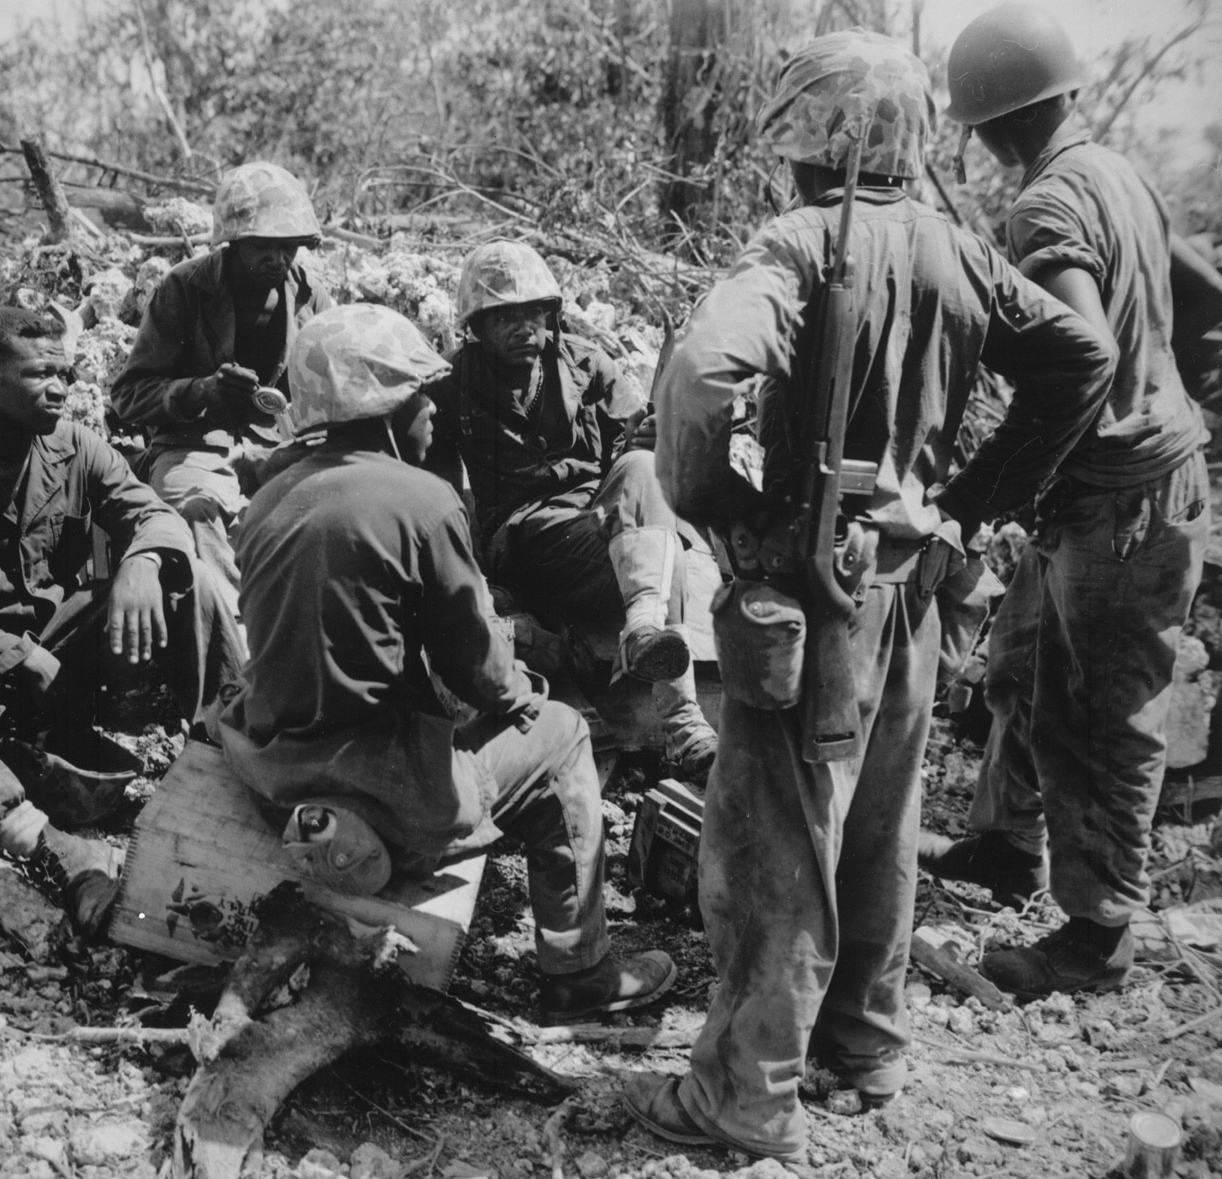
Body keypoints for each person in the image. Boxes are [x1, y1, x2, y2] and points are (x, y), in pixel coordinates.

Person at [619, 31, 1117, 1163]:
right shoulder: (954, 246)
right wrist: (972, 500)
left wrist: (717, 506)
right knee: (884, 822)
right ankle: (863, 1045)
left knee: (771, 844)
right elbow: (1079, 357)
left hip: (811, 592)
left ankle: (744, 1096)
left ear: (807, 135)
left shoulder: (795, 244)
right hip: (911, 589)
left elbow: (699, 380)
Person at [212, 303, 677, 1022]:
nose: (435, 411)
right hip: (381, 784)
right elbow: (481, 674)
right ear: (392, 411)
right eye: (423, 396)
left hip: (277, 769)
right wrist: (525, 690)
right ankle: (580, 974)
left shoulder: (269, 495)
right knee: (562, 736)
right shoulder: (423, 500)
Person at [919, 2, 1222, 999]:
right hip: (1107, 488)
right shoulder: (1114, 174)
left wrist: (978, 491)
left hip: (1120, 501)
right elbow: (1202, 295)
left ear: (987, 126)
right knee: (1019, 669)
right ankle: (1006, 846)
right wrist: (1169, 391)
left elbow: (1077, 362)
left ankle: (1097, 939)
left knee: (1102, 714)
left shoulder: (1045, 208)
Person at [0, 307, 247, 936]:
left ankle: (240, 758)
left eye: (64, 372)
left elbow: (155, 517)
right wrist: (18, 656)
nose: (62, 387)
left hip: (62, 644)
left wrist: (141, 565)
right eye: (40, 374)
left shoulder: (78, 449)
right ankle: (54, 848)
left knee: (189, 579)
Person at [423, 241, 718, 782]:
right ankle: (681, 714)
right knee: (663, 549)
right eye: (503, 317)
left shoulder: (587, 364)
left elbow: (632, 441)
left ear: (550, 314)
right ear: (477, 326)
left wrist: (649, 436)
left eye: (532, 313)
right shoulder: (452, 385)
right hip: (522, 532)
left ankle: (647, 633)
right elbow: (436, 491)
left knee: (647, 474)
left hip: (599, 518)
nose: (522, 328)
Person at [110, 161, 334, 609]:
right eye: (263, 248)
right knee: (197, 508)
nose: (279, 260)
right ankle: (237, 645)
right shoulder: (184, 288)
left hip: (279, 445)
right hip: (193, 443)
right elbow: (128, 395)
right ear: (233, 243)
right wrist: (201, 391)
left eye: (289, 247)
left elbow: (332, 389)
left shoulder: (311, 295)